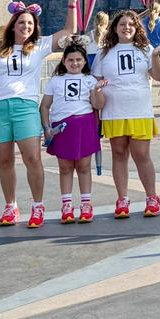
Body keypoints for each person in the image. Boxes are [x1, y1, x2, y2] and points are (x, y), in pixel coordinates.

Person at [0, 0, 84, 228]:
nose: (25, 27)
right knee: (5, 161)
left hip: (26, 107)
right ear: (13, 25)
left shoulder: (39, 46)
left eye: (30, 23)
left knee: (32, 158)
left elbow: (69, 32)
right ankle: (11, 206)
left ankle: (38, 206)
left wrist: (71, 5)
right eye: (21, 22)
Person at [92, 9, 160, 219]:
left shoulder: (146, 49)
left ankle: (152, 197)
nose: (126, 28)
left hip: (139, 109)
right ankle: (122, 199)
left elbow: (159, 75)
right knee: (119, 154)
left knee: (141, 154)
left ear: (136, 27)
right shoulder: (104, 52)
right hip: (113, 110)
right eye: (122, 24)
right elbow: (95, 80)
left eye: (130, 24)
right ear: (114, 28)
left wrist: (156, 57)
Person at [40, 42, 107, 224]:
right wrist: (46, 129)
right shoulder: (55, 80)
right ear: (64, 60)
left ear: (85, 61)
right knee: (65, 167)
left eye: (78, 59)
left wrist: (97, 90)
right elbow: (44, 106)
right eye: (71, 60)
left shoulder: (90, 80)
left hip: (84, 125)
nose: (75, 63)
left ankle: (86, 203)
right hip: (62, 127)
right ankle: (67, 204)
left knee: (84, 166)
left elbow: (98, 105)